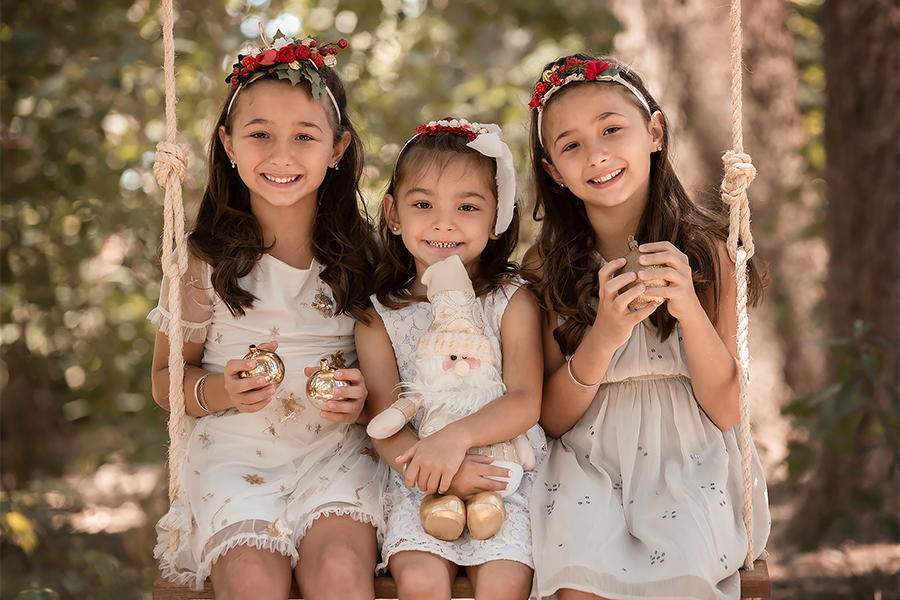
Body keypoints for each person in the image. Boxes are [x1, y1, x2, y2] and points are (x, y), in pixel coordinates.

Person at [524, 54, 770, 600]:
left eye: (611, 129)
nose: (597, 154)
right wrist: (605, 335)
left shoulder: (707, 254)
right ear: (553, 171)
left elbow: (727, 409)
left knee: (681, 578)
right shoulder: (546, 267)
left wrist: (688, 307)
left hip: (688, 458)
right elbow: (552, 419)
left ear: (654, 132)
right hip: (584, 465)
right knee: (578, 583)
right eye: (571, 145)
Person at [148, 30, 384, 599]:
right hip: (234, 456)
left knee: (339, 575)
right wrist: (221, 390)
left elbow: (397, 381)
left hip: (337, 453)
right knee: (253, 581)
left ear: (337, 149)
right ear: (228, 144)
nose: (281, 155)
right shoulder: (202, 260)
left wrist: (364, 402)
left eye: (305, 136)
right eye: (260, 134)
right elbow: (164, 381)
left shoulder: (368, 255)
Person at [355, 118, 546, 600]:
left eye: (468, 206)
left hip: (503, 477)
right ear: (393, 214)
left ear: (497, 217)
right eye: (423, 205)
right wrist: (439, 468)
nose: (444, 222)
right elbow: (385, 420)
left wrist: (457, 439)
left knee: (504, 583)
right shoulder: (378, 317)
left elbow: (525, 399)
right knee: (420, 581)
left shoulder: (511, 301)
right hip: (419, 480)